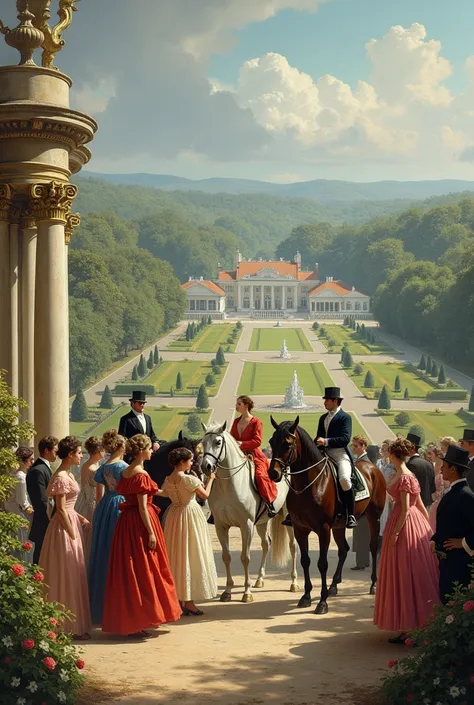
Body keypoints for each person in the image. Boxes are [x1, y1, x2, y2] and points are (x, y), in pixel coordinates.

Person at [102, 434, 181, 637]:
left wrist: (172, 484)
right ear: (141, 451)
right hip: (139, 524)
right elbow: (143, 507)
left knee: (130, 572)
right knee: (144, 571)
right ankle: (140, 620)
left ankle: (134, 620)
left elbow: (154, 492)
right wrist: (151, 532)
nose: (151, 451)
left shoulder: (128, 472)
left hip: (126, 524)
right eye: (148, 449)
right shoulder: (140, 474)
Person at [374, 437, 439, 644]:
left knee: (405, 573)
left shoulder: (403, 476)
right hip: (410, 522)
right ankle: (407, 627)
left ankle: (413, 627)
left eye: (389, 452)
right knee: (402, 573)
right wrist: (428, 527)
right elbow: (420, 503)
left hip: (404, 525)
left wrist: (395, 534)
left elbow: (406, 508)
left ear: (393, 454)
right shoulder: (405, 475)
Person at [39, 436, 92, 640]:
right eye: (79, 453)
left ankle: (71, 624)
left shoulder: (67, 474)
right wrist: (71, 532)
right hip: (63, 529)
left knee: (72, 572)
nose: (81, 456)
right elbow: (60, 509)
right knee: (65, 573)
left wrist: (80, 518)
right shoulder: (61, 476)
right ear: (70, 454)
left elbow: (66, 508)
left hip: (70, 522)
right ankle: (64, 626)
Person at [159, 447, 218, 615]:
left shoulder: (169, 478)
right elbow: (205, 495)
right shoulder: (189, 479)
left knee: (176, 555)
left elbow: (163, 493)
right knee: (191, 554)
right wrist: (211, 479)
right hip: (190, 515)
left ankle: (178, 599)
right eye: (190, 460)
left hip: (174, 516)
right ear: (182, 462)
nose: (192, 463)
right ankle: (189, 602)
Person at [88, 430, 128, 624]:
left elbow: (98, 493)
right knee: (118, 553)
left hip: (105, 505)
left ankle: (100, 604)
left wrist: (98, 513)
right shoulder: (123, 466)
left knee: (103, 550)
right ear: (120, 446)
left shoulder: (104, 466)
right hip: (120, 505)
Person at [430, 445, 474, 604]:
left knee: (454, 601)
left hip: (460, 563)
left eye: (444, 466)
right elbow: (448, 523)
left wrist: (462, 543)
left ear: (454, 469)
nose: (441, 469)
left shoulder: (466, 496)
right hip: (448, 561)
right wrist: (434, 539)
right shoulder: (453, 492)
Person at [315, 386, 357, 528]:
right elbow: (318, 437)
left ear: (335, 401)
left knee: (344, 479)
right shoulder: (323, 418)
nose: (324, 402)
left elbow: (345, 439)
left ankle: (350, 514)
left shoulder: (345, 417)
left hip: (339, 453)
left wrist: (326, 441)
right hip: (323, 453)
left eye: (327, 400)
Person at [230, 395, 278, 517]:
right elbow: (232, 438)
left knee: (260, 476)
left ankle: (269, 503)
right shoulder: (236, 421)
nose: (236, 406)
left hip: (253, 455)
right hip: (238, 455)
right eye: (236, 404)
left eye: (238, 404)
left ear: (246, 405)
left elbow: (257, 441)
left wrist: (241, 444)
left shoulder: (256, 422)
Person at [26, 436, 59, 564]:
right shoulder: (38, 470)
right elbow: (41, 500)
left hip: (45, 519)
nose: (57, 455)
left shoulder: (42, 468)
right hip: (44, 521)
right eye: (55, 451)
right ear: (47, 451)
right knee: (41, 556)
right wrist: (52, 518)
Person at [75, 436, 104, 566]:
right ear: (98, 450)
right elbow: (99, 496)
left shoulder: (86, 465)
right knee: (90, 542)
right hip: (91, 505)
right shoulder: (94, 469)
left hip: (82, 503)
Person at [4, 446, 34, 563]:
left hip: (14, 512)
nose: (32, 462)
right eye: (30, 460)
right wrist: (30, 509)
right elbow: (22, 501)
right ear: (23, 461)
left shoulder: (15, 475)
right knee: (22, 544)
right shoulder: (21, 477)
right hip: (20, 515)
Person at [350, 435, 370, 570]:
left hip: (363, 502)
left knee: (362, 533)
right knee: (359, 533)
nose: (353, 448)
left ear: (363, 446)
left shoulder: (365, 463)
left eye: (356, 446)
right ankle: (362, 561)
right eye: (353, 446)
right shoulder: (359, 460)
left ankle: (362, 562)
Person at [406, 433, 436, 509]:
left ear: (412, 448)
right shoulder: (429, 464)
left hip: (414, 505)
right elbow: (432, 488)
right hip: (427, 505)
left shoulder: (410, 464)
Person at [426, 444, 450, 532]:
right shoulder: (431, 465)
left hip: (442, 503)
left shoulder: (444, 471)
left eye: (430, 453)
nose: (428, 456)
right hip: (434, 502)